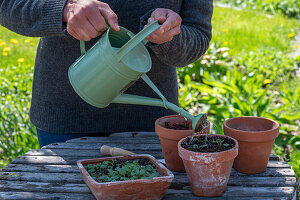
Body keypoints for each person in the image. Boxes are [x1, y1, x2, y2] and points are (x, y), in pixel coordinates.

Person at [0, 0, 213, 147]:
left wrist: (169, 35)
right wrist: (63, 9)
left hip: (151, 125)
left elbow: (198, 33)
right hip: (65, 117)